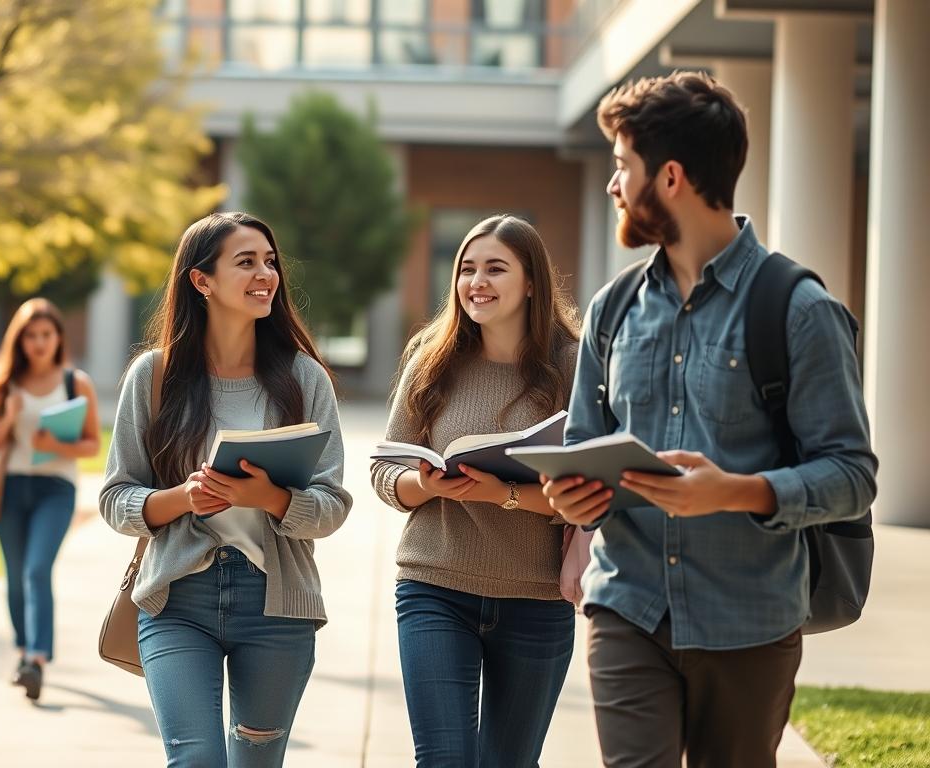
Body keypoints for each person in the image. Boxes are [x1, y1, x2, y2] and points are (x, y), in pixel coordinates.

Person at [541, 72, 877, 767]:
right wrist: (572, 496)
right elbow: (581, 443)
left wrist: (736, 491)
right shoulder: (614, 309)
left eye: (621, 167)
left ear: (669, 178)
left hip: (750, 622)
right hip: (626, 606)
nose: (612, 185)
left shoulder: (799, 309)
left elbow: (851, 474)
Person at [99, 211, 351, 767]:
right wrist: (183, 499)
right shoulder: (154, 376)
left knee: (257, 761)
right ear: (201, 281)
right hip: (177, 600)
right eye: (246, 262)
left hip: (276, 606)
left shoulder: (304, 378)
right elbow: (116, 497)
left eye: (269, 262)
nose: (265, 273)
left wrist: (270, 498)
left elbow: (332, 506)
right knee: (196, 760)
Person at [370, 214, 581, 767]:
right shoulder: (432, 359)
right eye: (467, 268)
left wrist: (501, 495)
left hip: (535, 598)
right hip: (434, 586)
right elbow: (385, 471)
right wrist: (423, 483)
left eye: (495, 269)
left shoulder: (573, 366)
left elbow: (591, 491)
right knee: (443, 760)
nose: (476, 282)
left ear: (532, 281)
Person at [0, 298, 100, 701]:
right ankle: (24, 651)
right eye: (31, 336)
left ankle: (37, 660)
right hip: (10, 487)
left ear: (59, 337)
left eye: (46, 334)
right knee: (14, 576)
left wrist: (57, 445)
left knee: (36, 569)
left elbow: (93, 444)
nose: (39, 343)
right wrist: (10, 418)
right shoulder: (4, 380)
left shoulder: (74, 383)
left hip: (54, 489)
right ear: (20, 340)